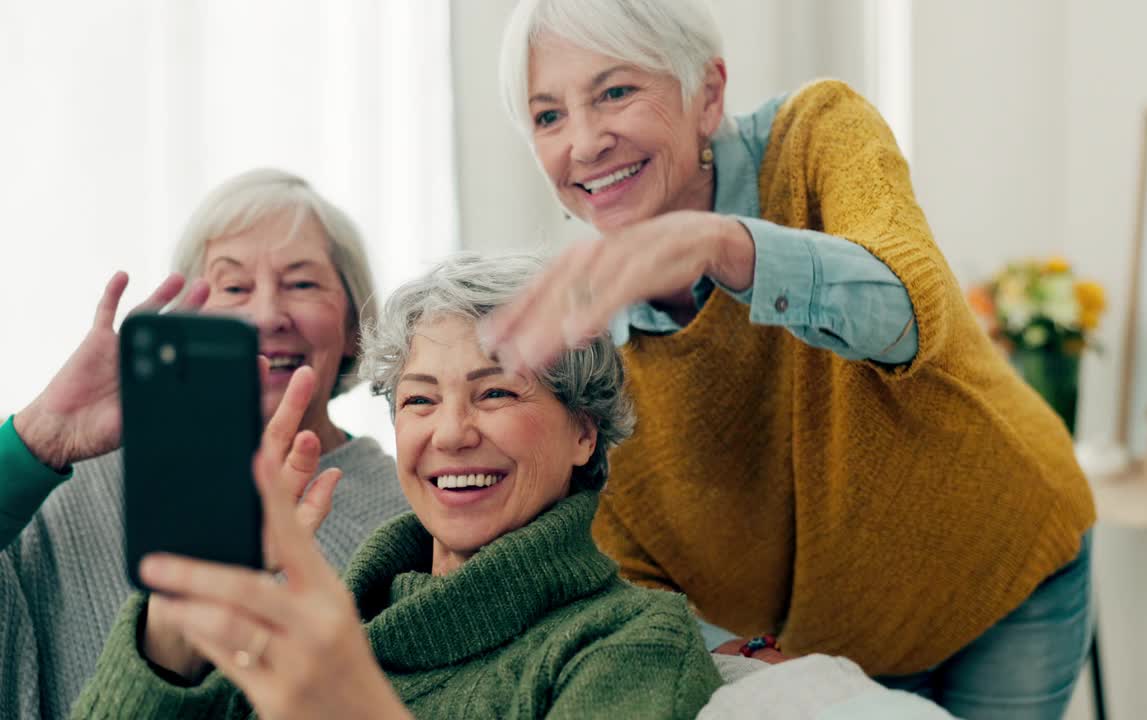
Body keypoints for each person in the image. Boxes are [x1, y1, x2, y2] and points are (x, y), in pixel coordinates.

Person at [480, 1, 1097, 718]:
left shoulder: (817, 134)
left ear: (707, 94)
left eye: (615, 92)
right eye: (548, 116)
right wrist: (735, 650)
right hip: (831, 647)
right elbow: (628, 564)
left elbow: (909, 307)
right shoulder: (583, 332)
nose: (584, 143)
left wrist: (723, 245)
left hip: (1000, 559)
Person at [72, 253, 723, 719]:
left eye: (494, 391)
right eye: (418, 400)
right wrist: (175, 627)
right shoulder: (330, 618)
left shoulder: (629, 642)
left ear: (584, 432)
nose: (450, 433)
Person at [0, 168, 409, 719]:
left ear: (356, 328)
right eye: (234, 287)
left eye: (302, 283)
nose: (267, 314)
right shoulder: (75, 483)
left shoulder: (409, 507)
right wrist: (43, 434)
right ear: (189, 321)